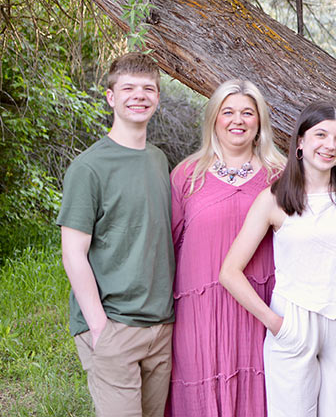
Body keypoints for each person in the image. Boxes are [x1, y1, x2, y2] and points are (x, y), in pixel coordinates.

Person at [220, 101, 336, 417]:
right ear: (300, 141)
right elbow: (230, 272)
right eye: (321, 135)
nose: (330, 145)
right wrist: (276, 323)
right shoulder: (274, 200)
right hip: (294, 320)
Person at [57, 52, 175, 416]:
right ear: (110, 97)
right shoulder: (89, 167)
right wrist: (99, 328)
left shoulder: (158, 160)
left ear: (157, 97)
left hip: (161, 326)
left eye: (148, 89)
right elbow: (73, 253)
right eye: (128, 88)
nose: (139, 95)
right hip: (114, 325)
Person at [166, 80, 286, 416]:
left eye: (247, 113)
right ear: (214, 118)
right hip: (199, 313)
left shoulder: (281, 176)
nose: (238, 120)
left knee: (260, 394)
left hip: (260, 308)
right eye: (228, 112)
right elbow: (169, 248)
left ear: (259, 120)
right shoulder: (187, 176)